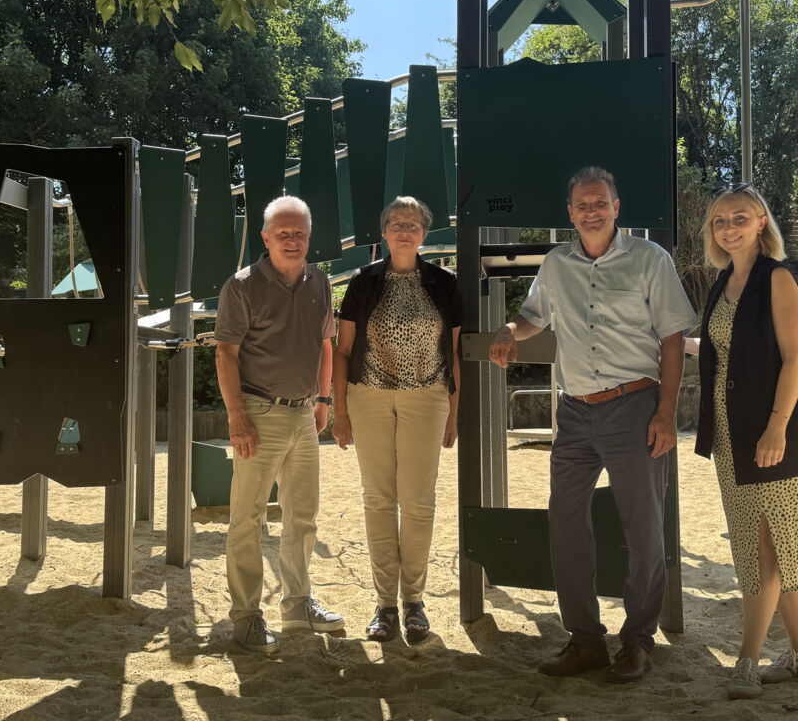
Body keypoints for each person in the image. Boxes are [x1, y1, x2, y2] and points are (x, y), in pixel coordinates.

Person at [489, 166, 697, 683]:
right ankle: (585, 641)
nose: (591, 210)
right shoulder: (556, 263)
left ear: (616, 207)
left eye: (599, 202)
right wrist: (507, 330)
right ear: (570, 212)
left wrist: (666, 411)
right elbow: (534, 317)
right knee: (565, 522)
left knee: (645, 528)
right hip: (575, 411)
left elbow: (673, 338)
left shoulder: (651, 259)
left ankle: (637, 642)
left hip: (635, 406)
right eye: (582, 204)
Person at [214, 195, 343, 653]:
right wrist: (237, 418)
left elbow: (326, 344)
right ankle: (246, 615)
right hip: (259, 413)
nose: (292, 241)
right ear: (265, 237)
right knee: (247, 519)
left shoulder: (320, 282)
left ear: (309, 237)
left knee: (302, 517)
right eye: (283, 234)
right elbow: (225, 353)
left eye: (300, 234)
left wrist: (324, 398)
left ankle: (297, 603)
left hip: (305, 413)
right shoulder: (243, 286)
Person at [331, 196, 461, 643]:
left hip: (427, 397)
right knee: (379, 500)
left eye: (413, 224)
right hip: (367, 397)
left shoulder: (444, 282)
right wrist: (340, 411)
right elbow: (342, 350)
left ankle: (415, 602)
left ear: (424, 234)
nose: (405, 230)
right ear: (384, 231)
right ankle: (385, 604)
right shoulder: (363, 281)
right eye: (396, 224)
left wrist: (454, 413)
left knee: (419, 501)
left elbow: (456, 353)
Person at [692, 184, 798, 699]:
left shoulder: (776, 278)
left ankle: (747, 661)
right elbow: (725, 347)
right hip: (730, 440)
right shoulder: (721, 283)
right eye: (719, 221)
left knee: (776, 551)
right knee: (764, 550)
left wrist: (777, 425)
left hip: (772, 435)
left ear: (761, 223)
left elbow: (796, 357)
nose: (728, 227)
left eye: (740, 217)